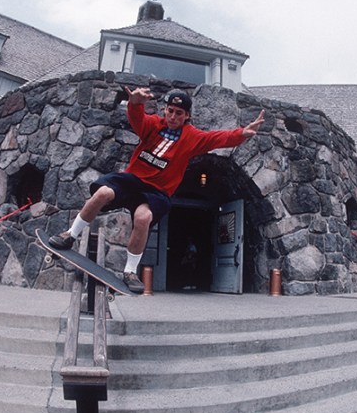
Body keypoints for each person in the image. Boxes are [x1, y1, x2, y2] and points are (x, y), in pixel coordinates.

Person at [49, 87, 265, 293]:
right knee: (103, 193)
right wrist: (134, 103)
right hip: (133, 179)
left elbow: (217, 138)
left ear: (186, 116)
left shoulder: (192, 137)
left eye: (178, 113)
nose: (173, 116)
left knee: (143, 219)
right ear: (164, 110)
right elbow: (137, 119)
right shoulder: (153, 125)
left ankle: (130, 271)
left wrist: (242, 133)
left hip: (158, 191)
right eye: (170, 111)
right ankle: (70, 235)